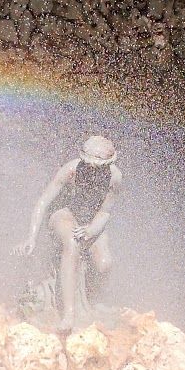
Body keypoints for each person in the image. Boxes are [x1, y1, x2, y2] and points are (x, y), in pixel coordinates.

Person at [15, 135, 121, 330]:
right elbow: (43, 201)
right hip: (64, 214)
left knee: (104, 264)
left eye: (99, 167)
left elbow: (105, 212)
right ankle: (69, 314)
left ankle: (90, 301)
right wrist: (31, 236)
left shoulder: (114, 178)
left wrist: (91, 230)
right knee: (72, 244)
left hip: (91, 222)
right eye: (89, 165)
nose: (93, 171)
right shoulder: (71, 171)